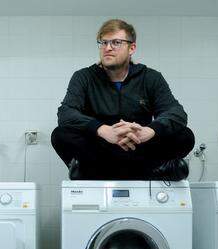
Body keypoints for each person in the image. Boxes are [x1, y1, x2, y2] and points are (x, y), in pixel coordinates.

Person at [51, 19, 195, 181]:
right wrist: (103, 130)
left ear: (131, 48)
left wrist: (149, 131)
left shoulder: (150, 77)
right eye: (103, 42)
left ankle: (150, 169)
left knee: (184, 135)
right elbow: (66, 113)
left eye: (116, 42)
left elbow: (176, 113)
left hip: (140, 147)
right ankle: (88, 169)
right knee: (60, 135)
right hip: (100, 150)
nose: (108, 48)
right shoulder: (84, 77)